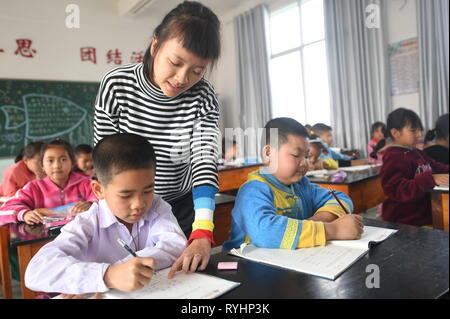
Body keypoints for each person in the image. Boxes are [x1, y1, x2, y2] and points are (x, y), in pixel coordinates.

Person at [93, 1, 221, 277]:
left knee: (182, 281)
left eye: (197, 71)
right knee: (127, 279)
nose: (182, 78)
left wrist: (203, 229)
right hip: (126, 208)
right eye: (175, 62)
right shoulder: (117, 85)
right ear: (155, 46)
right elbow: (106, 159)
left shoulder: (203, 96)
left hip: (182, 206)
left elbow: (204, 162)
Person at [24, 133, 187, 296]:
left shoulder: (157, 206)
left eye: (147, 190)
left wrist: (126, 267)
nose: (139, 204)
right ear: (98, 190)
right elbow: (35, 272)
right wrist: (107, 275)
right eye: (126, 195)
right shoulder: (88, 222)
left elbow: (175, 246)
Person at [222, 118, 363, 251]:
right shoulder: (253, 190)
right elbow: (265, 232)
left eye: (306, 156)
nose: (304, 163)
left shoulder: (302, 185)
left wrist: (317, 221)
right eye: (296, 155)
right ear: (269, 153)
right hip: (244, 266)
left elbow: (341, 198)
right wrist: (332, 230)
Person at [0, 138, 96, 225]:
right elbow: (4, 210)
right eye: (50, 160)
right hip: (44, 241)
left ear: (72, 163)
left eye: (63, 159)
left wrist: (91, 204)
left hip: (82, 238)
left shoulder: (86, 184)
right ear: (42, 165)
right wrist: (24, 213)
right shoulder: (33, 188)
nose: (57, 165)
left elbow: (104, 198)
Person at [380, 108, 449, 226]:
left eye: (420, 130)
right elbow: (396, 189)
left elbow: (436, 166)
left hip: (424, 214)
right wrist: (431, 179)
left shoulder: (416, 152)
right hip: (406, 221)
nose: (419, 134)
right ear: (395, 133)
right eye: (413, 130)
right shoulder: (393, 157)